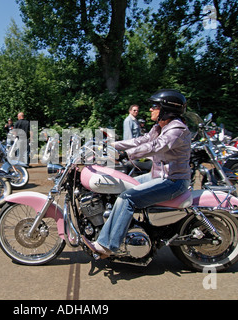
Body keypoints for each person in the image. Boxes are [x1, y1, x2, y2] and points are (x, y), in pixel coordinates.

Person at [82, 89, 192, 258]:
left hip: (173, 181)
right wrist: (110, 145)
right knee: (120, 187)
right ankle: (117, 231)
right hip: (157, 176)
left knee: (128, 198)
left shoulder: (177, 129)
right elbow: (140, 140)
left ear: (167, 108)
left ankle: (108, 246)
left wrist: (127, 154)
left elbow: (155, 146)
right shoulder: (161, 127)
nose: (150, 109)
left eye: (155, 106)